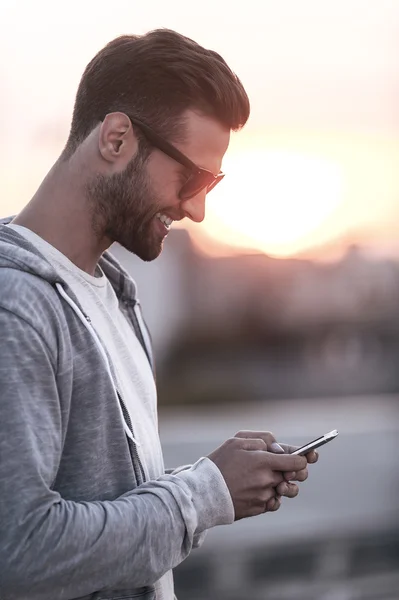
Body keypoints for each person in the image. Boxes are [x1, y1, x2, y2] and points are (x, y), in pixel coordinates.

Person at [0, 29, 318, 600]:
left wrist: (217, 481)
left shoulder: (116, 298)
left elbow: (100, 500)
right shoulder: (15, 309)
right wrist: (203, 495)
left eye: (212, 183)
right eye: (192, 178)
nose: (197, 209)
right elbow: (18, 550)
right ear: (117, 138)